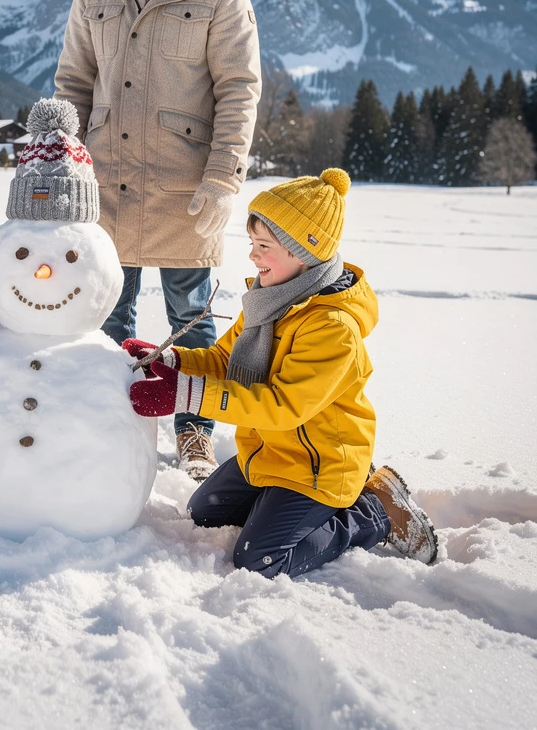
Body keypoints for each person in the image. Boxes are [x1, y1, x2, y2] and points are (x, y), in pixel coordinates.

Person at [54, 0, 261, 482]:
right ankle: (111, 423)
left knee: (192, 318)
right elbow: (72, 83)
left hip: (185, 188)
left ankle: (193, 433)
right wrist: (63, 166)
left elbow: (239, 88)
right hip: (105, 184)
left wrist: (225, 178)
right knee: (104, 312)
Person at [124, 168, 438, 578]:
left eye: (263, 245)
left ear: (302, 251)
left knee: (258, 561)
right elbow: (225, 360)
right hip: (271, 453)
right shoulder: (268, 301)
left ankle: (374, 512)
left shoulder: (332, 329)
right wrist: (171, 361)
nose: (253, 255)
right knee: (204, 514)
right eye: (253, 243)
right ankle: (281, 508)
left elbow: (283, 407)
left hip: (319, 465)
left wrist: (186, 395)